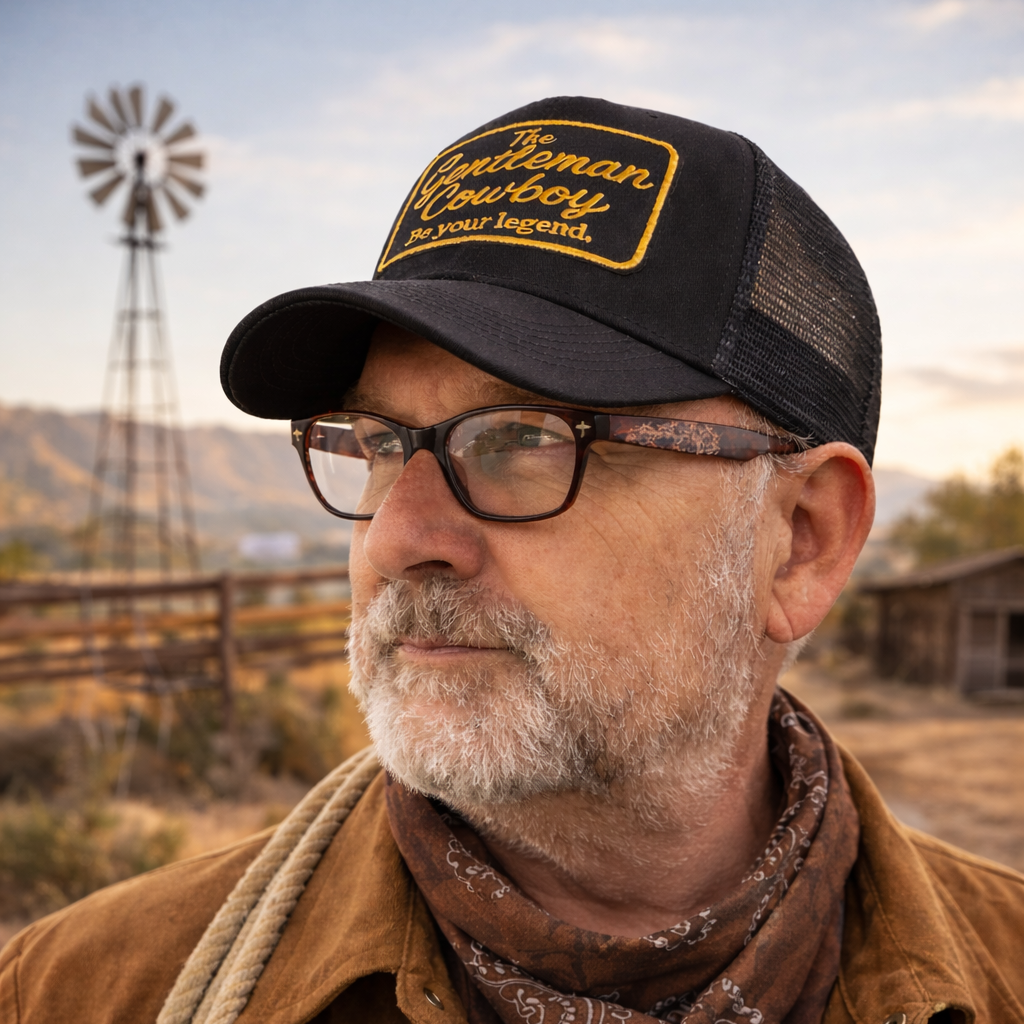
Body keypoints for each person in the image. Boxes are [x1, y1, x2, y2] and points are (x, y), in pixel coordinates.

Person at [2, 96, 1021, 1024]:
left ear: (801, 540)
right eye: (375, 442)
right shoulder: (81, 990)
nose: (399, 540)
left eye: (526, 439)